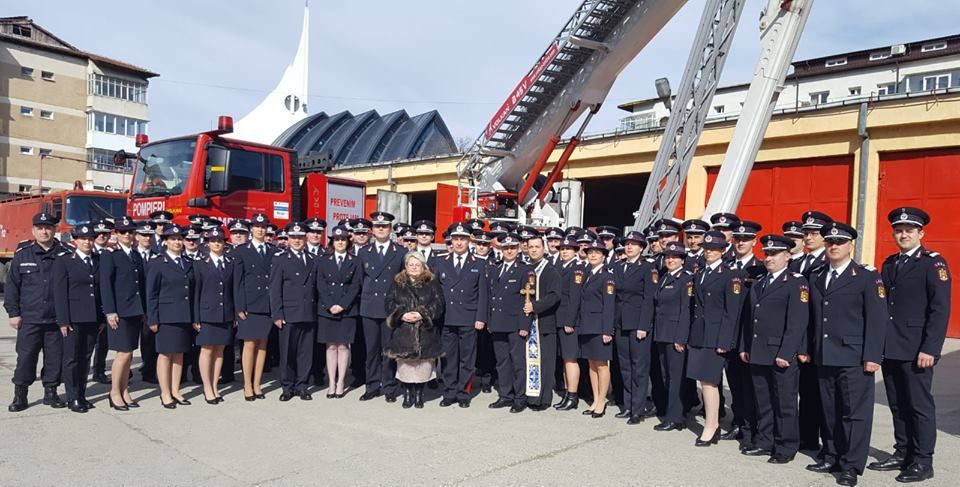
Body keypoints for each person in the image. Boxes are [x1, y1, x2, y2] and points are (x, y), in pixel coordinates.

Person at [869, 207, 951, 483]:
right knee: (897, 404)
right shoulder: (890, 263)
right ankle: (902, 452)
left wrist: (931, 348)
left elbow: (939, 310)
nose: (903, 234)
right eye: (899, 230)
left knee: (919, 406)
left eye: (909, 230)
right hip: (891, 347)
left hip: (917, 350)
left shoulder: (933, 264)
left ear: (921, 233)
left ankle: (923, 461)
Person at [806, 222, 888, 487]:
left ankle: (851, 465)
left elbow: (877, 320)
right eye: (829, 242)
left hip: (854, 356)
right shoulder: (817, 275)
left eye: (839, 242)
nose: (833, 246)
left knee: (854, 413)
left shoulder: (866, 276)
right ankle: (832, 454)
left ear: (850, 245)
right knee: (829, 410)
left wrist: (873, 355)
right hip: (824, 354)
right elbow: (813, 318)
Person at [738, 235, 809, 464]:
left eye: (774, 254)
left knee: (785, 403)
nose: (769, 258)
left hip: (780, 354)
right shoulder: (759, 282)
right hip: (758, 351)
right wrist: (744, 347)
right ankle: (765, 441)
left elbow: (797, 322)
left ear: (787, 256)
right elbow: (749, 320)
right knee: (764, 400)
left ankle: (786, 446)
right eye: (767, 254)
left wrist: (786, 353)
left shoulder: (796, 282)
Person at [687, 231, 745, 446]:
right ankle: (713, 424)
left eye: (714, 249)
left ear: (723, 250)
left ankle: (711, 426)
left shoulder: (731, 274)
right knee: (703, 380)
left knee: (710, 382)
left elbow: (732, 312)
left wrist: (725, 341)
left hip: (716, 335)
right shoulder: (700, 273)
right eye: (707, 248)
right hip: (700, 334)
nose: (709, 252)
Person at [5, 212, 67, 412]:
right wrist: (13, 313)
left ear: (54, 230)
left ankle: (51, 392)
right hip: (30, 318)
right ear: (33, 231)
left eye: (48, 227)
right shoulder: (23, 254)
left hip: (56, 319)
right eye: (40, 228)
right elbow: (12, 286)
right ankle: (20, 394)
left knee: (55, 358)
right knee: (25, 358)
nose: (44, 231)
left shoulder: (65, 254)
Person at [53, 223, 105, 413]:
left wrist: (101, 318)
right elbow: (59, 293)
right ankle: (72, 397)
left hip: (92, 317)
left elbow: (100, 291)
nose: (87, 242)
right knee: (71, 359)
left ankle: (82, 394)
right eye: (83, 239)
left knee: (85, 357)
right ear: (75, 240)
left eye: (90, 239)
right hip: (73, 318)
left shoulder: (98, 260)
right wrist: (63, 321)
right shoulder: (65, 260)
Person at [436, 222, 489, 408]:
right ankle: (449, 392)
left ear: (469, 241)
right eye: (456, 239)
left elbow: (483, 294)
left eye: (463, 239)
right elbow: (436, 292)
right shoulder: (441, 261)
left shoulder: (479, 263)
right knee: (448, 357)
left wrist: (481, 317)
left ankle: (463, 392)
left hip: (468, 317)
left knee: (467, 358)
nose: (459, 243)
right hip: (447, 317)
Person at [384, 251, 445, 409]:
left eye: (417, 265)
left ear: (423, 266)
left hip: (425, 331)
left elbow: (438, 304)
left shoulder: (431, 282)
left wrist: (422, 314)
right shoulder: (397, 282)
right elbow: (389, 303)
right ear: (405, 266)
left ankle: (419, 394)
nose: (414, 267)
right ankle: (407, 393)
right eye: (411, 264)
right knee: (405, 366)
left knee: (422, 366)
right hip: (403, 331)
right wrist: (401, 315)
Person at [99, 216, 147, 410]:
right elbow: (105, 285)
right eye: (123, 232)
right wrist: (110, 311)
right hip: (119, 312)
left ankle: (124, 389)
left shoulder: (135, 255)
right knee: (123, 354)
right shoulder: (110, 254)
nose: (127, 235)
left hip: (134, 310)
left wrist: (143, 309)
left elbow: (139, 284)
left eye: (130, 232)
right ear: (116, 234)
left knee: (129, 353)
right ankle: (114, 392)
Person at [357, 212, 405, 402]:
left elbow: (403, 282)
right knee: (371, 350)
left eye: (384, 226)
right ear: (372, 230)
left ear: (390, 229)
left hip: (390, 309)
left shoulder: (399, 252)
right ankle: (372, 386)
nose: (381, 229)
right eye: (377, 227)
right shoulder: (364, 252)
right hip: (369, 307)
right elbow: (361, 281)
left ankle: (389, 387)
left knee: (388, 350)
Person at [146, 224, 195, 409]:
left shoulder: (187, 262)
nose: (177, 242)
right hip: (166, 316)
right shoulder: (158, 262)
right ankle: (165, 392)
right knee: (166, 355)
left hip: (183, 315)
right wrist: (153, 318)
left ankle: (176, 390)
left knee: (179, 354)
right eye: (172, 239)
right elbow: (151, 293)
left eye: (179, 238)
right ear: (165, 241)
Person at [612, 230, 658, 424]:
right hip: (621, 322)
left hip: (638, 324)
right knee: (625, 366)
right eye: (627, 244)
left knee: (639, 367)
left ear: (641, 247)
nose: (629, 247)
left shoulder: (648, 268)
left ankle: (638, 410)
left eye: (633, 244)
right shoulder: (618, 267)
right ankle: (628, 405)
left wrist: (643, 325)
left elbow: (649, 299)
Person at [270, 222, 318, 402]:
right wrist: (277, 314)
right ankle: (287, 387)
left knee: (306, 353)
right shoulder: (281, 259)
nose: (297, 240)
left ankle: (302, 386)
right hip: (289, 314)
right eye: (293, 237)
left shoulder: (313, 259)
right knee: (287, 353)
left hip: (308, 312)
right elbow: (275, 289)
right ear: (288, 239)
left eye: (300, 237)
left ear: (305, 238)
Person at [796, 210, 832, 453]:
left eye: (814, 233)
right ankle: (806, 438)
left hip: (822, 338)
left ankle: (825, 443)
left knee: (823, 395)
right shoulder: (797, 262)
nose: (808, 237)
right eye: (806, 233)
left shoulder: (828, 262)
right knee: (805, 391)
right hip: (802, 338)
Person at [486, 233, 532, 413]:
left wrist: (524, 325)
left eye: (513, 248)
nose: (509, 251)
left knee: (518, 362)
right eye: (506, 248)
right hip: (497, 322)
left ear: (519, 249)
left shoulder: (524, 270)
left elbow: (527, 299)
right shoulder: (495, 268)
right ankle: (505, 395)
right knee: (502, 362)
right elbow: (491, 298)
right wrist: (490, 321)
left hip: (515, 324)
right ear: (501, 250)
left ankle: (519, 397)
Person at [571, 240, 616, 418]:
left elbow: (609, 305)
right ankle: (596, 399)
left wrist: (607, 331)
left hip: (599, 327)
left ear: (604, 256)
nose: (593, 255)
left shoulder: (607, 276)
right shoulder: (587, 274)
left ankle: (602, 401)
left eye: (597, 253)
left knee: (602, 365)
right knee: (592, 364)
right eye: (590, 252)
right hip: (587, 326)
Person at [232, 213, 274, 401]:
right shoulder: (241, 251)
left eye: (263, 227)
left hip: (267, 304)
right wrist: (239, 305)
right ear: (251, 229)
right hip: (249, 304)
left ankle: (257, 383)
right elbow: (237, 281)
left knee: (262, 344)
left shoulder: (273, 251)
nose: (260, 230)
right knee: (249, 344)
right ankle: (247, 384)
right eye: (257, 227)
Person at [652, 241, 693, 431]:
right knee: (667, 375)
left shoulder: (685, 280)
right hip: (662, 333)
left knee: (675, 377)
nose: (670, 260)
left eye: (674, 257)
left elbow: (686, 310)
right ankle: (676, 414)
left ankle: (675, 417)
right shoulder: (664, 277)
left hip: (675, 335)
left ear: (682, 260)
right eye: (667, 257)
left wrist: (681, 338)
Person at [316, 225, 360, 398]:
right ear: (332, 242)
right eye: (337, 239)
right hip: (327, 309)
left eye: (343, 239)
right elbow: (320, 284)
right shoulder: (323, 260)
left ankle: (341, 381)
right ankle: (331, 382)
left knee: (343, 346)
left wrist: (342, 305)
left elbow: (356, 285)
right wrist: (329, 304)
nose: (340, 242)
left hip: (346, 309)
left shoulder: (355, 260)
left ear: (348, 241)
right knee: (330, 346)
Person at [191, 227, 235, 404]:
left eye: (220, 241)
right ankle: (207, 387)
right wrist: (196, 316)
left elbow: (233, 290)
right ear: (208, 243)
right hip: (207, 313)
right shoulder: (200, 263)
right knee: (207, 349)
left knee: (220, 350)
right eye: (213, 241)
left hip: (225, 312)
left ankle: (215, 385)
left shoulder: (230, 263)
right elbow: (196, 292)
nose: (217, 244)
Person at [521, 236, 561, 411]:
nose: (534, 250)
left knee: (545, 362)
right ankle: (531, 396)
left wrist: (535, 306)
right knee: (530, 362)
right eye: (530, 247)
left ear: (543, 248)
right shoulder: (526, 269)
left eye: (537, 247)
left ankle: (544, 398)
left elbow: (555, 295)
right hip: (528, 323)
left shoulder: (551, 270)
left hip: (544, 322)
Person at [554, 237, 585, 411]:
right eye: (562, 248)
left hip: (569, 320)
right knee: (565, 358)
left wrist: (570, 321)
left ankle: (573, 395)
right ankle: (567, 392)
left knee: (571, 359)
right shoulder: (560, 266)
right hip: (559, 318)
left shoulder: (577, 269)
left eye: (568, 248)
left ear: (575, 251)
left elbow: (575, 297)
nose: (564, 251)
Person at [134, 221, 159, 383]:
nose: (147, 238)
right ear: (137, 236)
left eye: (149, 235)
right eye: (143, 235)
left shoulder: (158, 256)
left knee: (149, 339)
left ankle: (149, 371)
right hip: (132, 304)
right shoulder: (131, 255)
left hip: (150, 305)